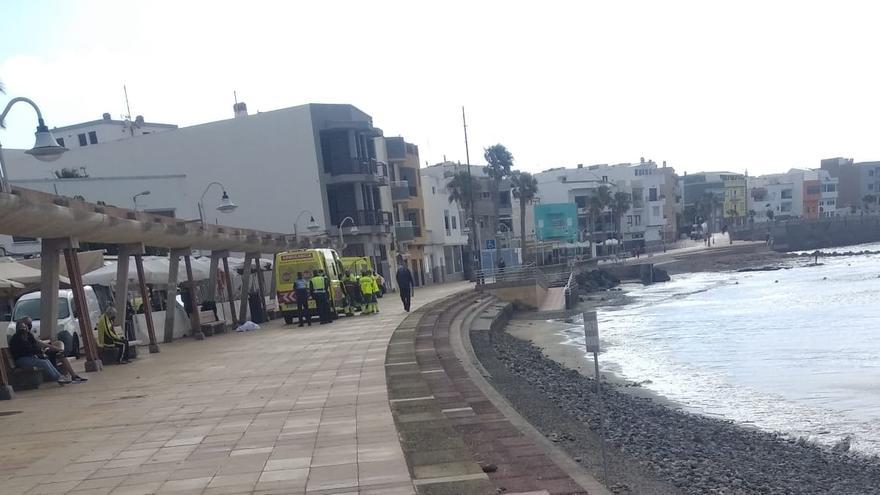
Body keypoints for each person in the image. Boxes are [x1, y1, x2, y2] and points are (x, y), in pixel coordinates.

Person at [8, 319, 72, 386]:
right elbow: (28, 349)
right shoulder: (17, 338)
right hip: (21, 359)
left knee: (46, 361)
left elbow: (35, 344)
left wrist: (41, 349)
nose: (24, 329)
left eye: (24, 327)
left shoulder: (28, 335)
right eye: (21, 328)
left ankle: (60, 377)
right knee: (43, 363)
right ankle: (58, 378)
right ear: (18, 328)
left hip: (29, 357)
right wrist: (40, 351)